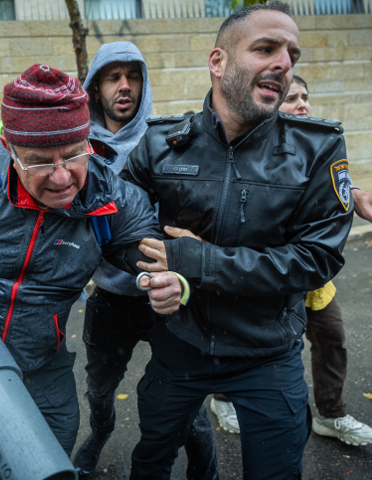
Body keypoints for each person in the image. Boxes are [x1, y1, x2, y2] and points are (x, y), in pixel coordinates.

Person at [121, 3, 353, 478]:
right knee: (150, 461)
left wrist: (197, 259)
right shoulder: (159, 143)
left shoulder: (319, 148)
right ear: (218, 62)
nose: (283, 64)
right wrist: (153, 272)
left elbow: (315, 259)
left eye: (291, 54)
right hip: (178, 347)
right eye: (265, 48)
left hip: (267, 356)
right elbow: (124, 230)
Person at [0, 64, 182, 480]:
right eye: (40, 161)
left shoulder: (109, 194)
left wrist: (173, 279)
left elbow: (152, 255)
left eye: (75, 153)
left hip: (47, 368)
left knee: (51, 464)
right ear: (9, 147)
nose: (63, 177)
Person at [73, 41, 217, 480]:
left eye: (132, 75)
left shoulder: (171, 140)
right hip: (111, 296)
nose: (124, 85)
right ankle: (100, 432)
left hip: (169, 296)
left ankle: (204, 466)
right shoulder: (77, 148)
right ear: (94, 88)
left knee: (186, 399)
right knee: (99, 386)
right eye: (112, 76)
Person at [210, 75, 372, 446]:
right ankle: (222, 399)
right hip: (265, 273)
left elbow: (328, 185)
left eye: (305, 97)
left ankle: (330, 414)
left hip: (311, 276)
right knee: (243, 340)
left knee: (332, 337)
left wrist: (357, 193)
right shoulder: (250, 145)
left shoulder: (317, 142)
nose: (303, 104)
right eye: (292, 98)